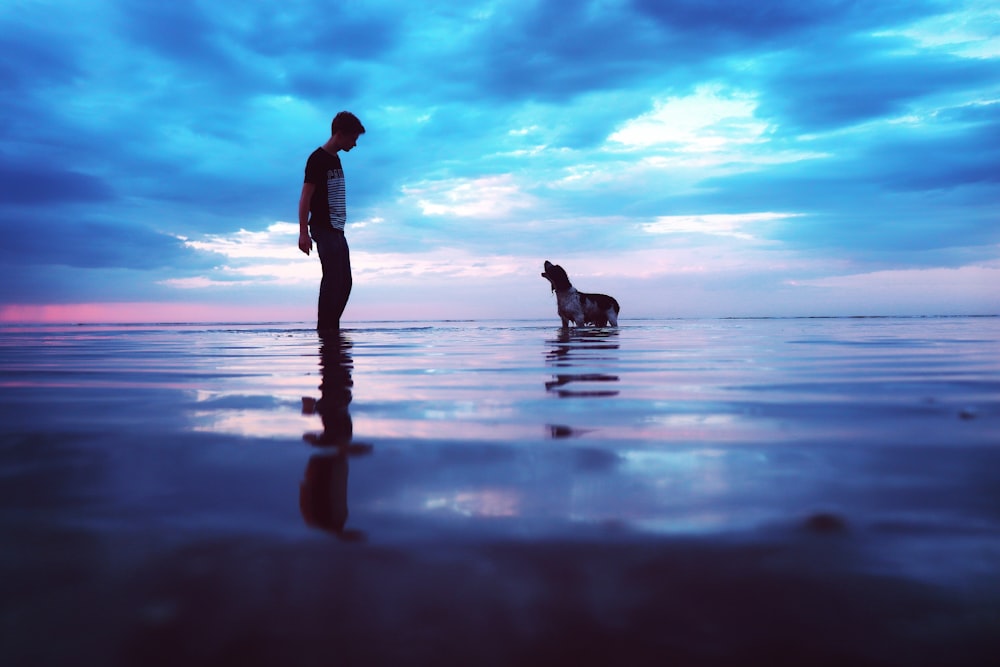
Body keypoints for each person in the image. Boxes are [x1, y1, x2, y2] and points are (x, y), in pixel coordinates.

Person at [298, 111, 366, 332]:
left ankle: (331, 327)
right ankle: (326, 329)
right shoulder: (317, 159)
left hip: (337, 229)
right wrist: (303, 233)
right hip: (323, 227)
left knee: (345, 283)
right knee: (333, 279)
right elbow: (305, 196)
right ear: (340, 134)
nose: (354, 144)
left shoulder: (335, 159)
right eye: (353, 138)